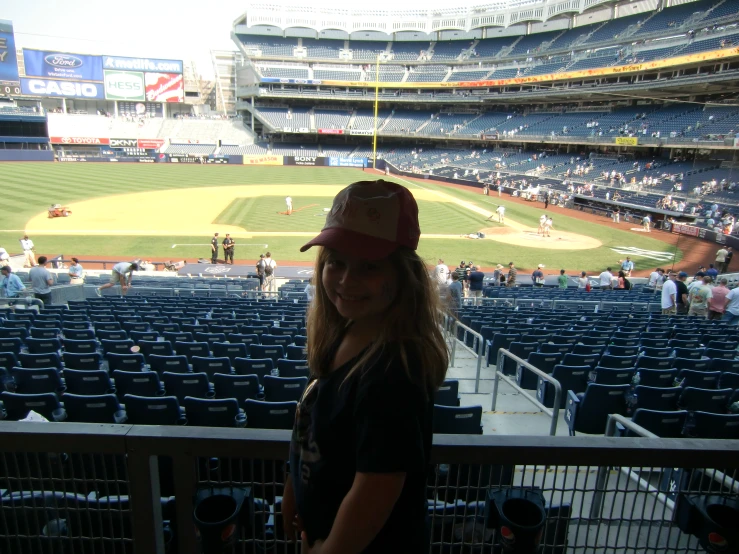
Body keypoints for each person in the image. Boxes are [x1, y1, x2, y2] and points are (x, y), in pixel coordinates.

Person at [285, 179, 448, 554]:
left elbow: (374, 494)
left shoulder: (393, 370)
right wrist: (293, 486)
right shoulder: (345, 331)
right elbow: (310, 423)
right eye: (335, 263)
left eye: (368, 267)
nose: (345, 280)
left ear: (402, 277)